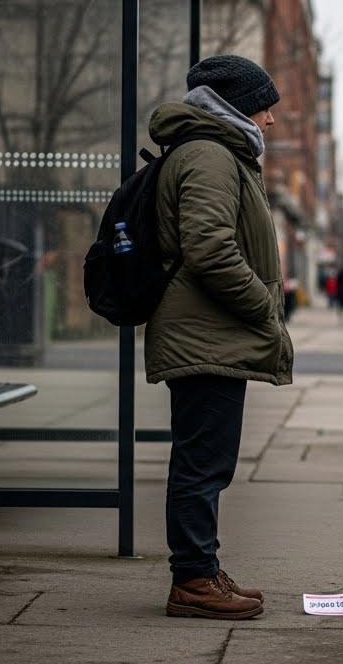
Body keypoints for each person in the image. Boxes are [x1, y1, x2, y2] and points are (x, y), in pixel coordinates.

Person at [144, 55, 295, 621]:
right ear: (233, 105)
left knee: (207, 461)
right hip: (204, 336)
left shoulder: (216, 151)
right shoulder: (208, 155)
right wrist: (264, 306)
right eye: (264, 106)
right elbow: (209, 249)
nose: (272, 120)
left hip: (208, 334)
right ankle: (193, 581)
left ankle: (201, 570)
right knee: (202, 464)